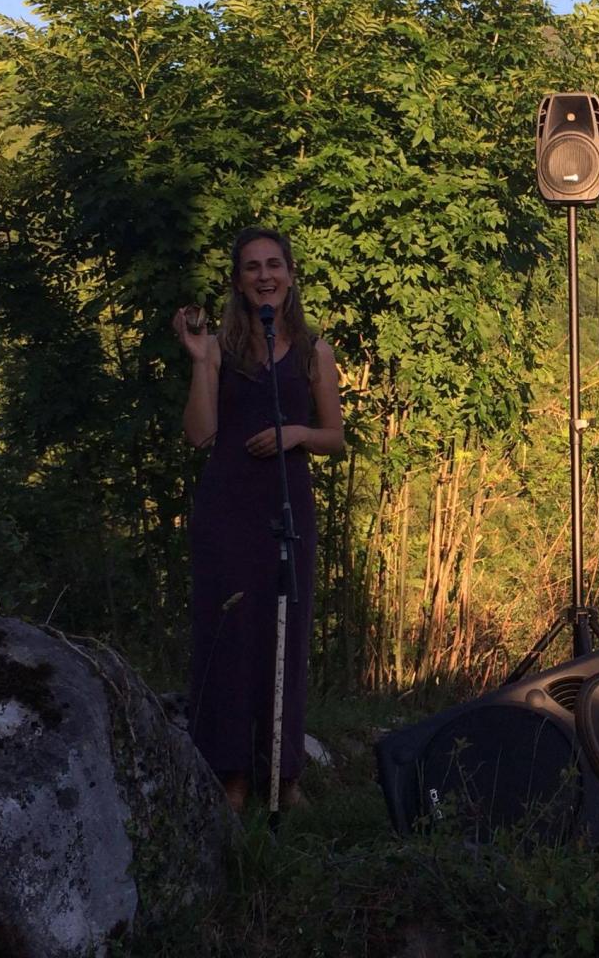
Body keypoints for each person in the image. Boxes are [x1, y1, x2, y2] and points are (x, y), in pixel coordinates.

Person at [174, 227, 344, 811]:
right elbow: (200, 434)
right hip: (228, 510)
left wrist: (296, 433)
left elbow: (335, 437)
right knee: (228, 639)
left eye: (274, 265)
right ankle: (229, 777)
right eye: (252, 268)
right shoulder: (219, 347)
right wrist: (200, 362)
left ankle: (283, 773)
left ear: (291, 275)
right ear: (239, 282)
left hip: (286, 507)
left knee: (286, 635)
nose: (264, 276)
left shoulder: (312, 351)